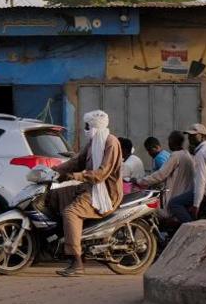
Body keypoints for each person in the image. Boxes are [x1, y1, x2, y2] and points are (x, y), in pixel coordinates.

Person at [49, 110, 124, 277]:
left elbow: (101, 174)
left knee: (70, 213)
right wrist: (54, 171)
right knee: (54, 196)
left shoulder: (111, 143)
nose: (85, 129)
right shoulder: (93, 142)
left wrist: (74, 176)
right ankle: (64, 241)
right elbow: (77, 161)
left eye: (87, 126)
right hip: (88, 187)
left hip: (104, 193)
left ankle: (77, 261)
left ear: (94, 126)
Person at [167, 124, 206, 223]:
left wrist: (196, 205)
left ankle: (190, 226)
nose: (190, 138)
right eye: (189, 136)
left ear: (203, 136)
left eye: (193, 135)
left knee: (174, 203)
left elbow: (201, 181)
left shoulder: (201, 153)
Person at [136, 130, 195, 219]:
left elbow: (160, 175)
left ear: (173, 142)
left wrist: (140, 181)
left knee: (156, 210)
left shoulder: (175, 156)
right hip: (184, 190)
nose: (168, 144)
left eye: (169, 141)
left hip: (176, 192)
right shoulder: (186, 154)